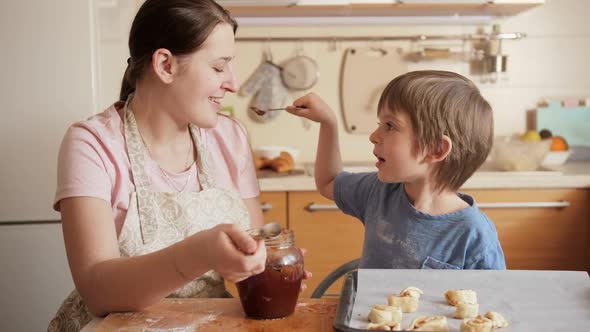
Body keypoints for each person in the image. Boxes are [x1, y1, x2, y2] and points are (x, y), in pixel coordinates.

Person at [48, 1, 310, 330]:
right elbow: (97, 291)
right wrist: (199, 254)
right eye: (219, 67)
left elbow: (252, 249)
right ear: (165, 65)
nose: (233, 83)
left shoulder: (229, 138)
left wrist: (267, 268)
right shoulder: (92, 145)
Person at [288, 70, 506, 270]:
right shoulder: (379, 192)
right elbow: (329, 182)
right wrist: (329, 123)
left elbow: (495, 304)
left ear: (436, 149)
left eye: (390, 126)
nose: (373, 136)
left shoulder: (474, 235)